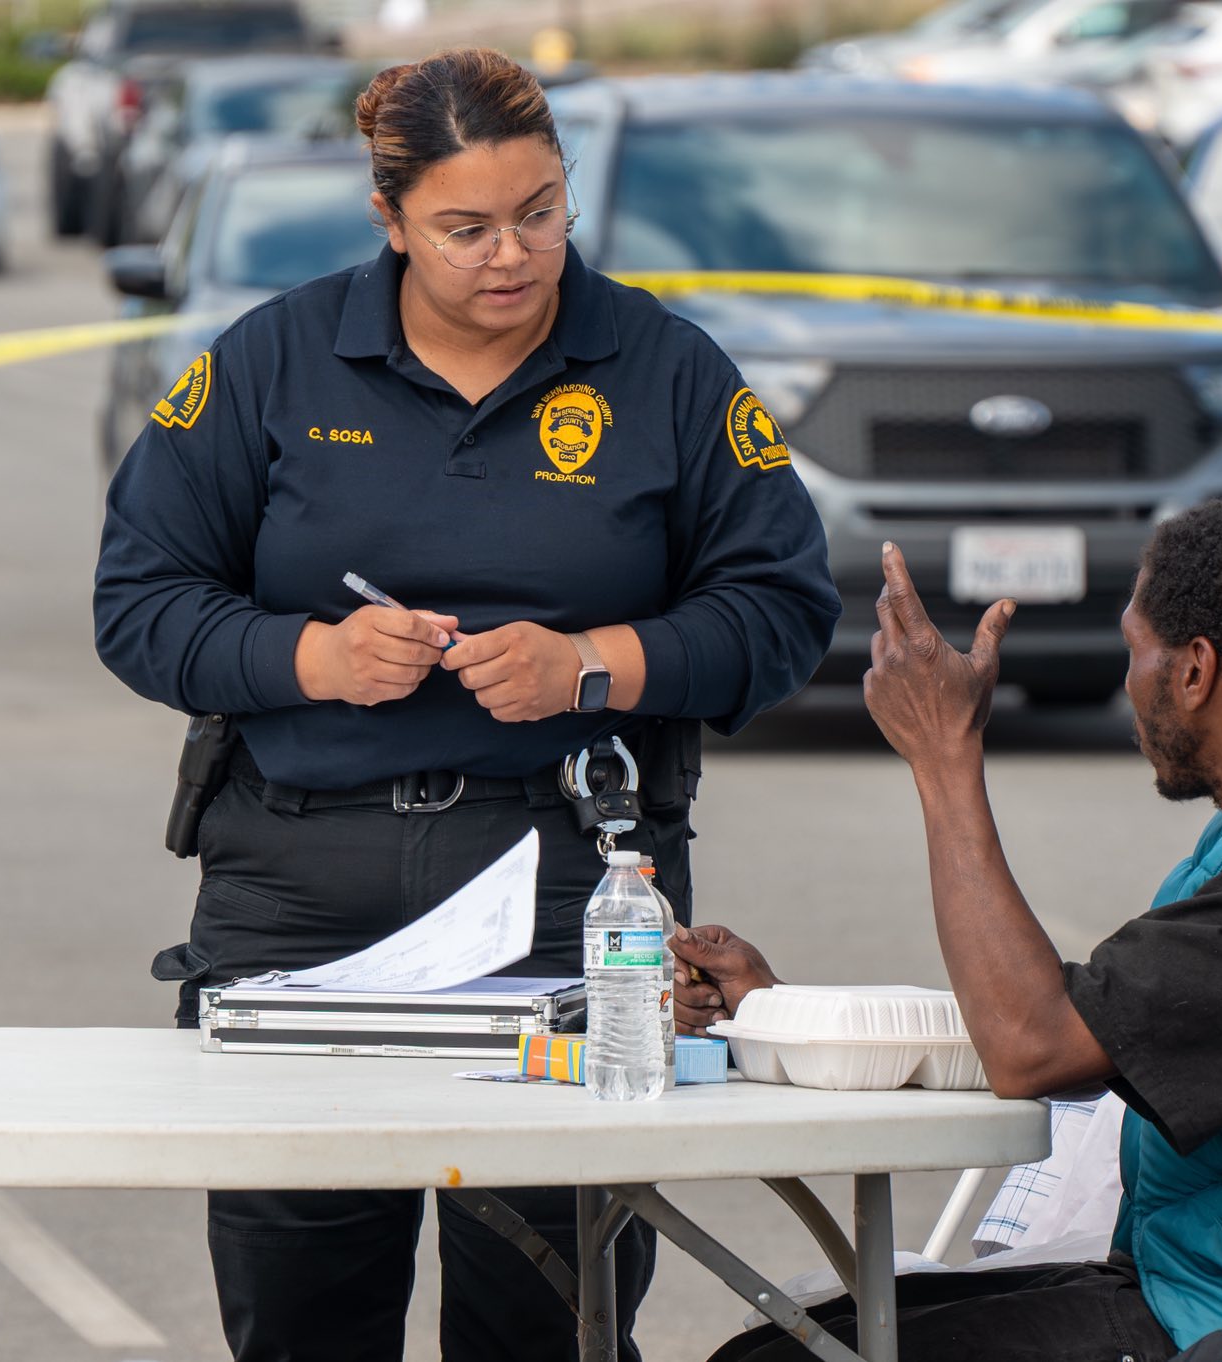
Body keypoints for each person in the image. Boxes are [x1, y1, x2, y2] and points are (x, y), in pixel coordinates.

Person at [92, 48, 839, 1362]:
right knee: (301, 1310)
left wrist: (596, 663)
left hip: (569, 886)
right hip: (299, 888)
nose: (513, 254)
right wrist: (309, 659)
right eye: (467, 227)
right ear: (387, 220)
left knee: (547, 1313)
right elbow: (139, 604)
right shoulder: (273, 361)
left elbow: (783, 614)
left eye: (541, 212)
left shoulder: (664, 367)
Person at [674, 500, 1222, 1362]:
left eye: (1135, 650)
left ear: (1194, 671)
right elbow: (1085, 1020)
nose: (1125, 680)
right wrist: (779, 1014)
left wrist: (947, 759)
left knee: (792, 1358)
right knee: (803, 1333)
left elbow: (1033, 1042)